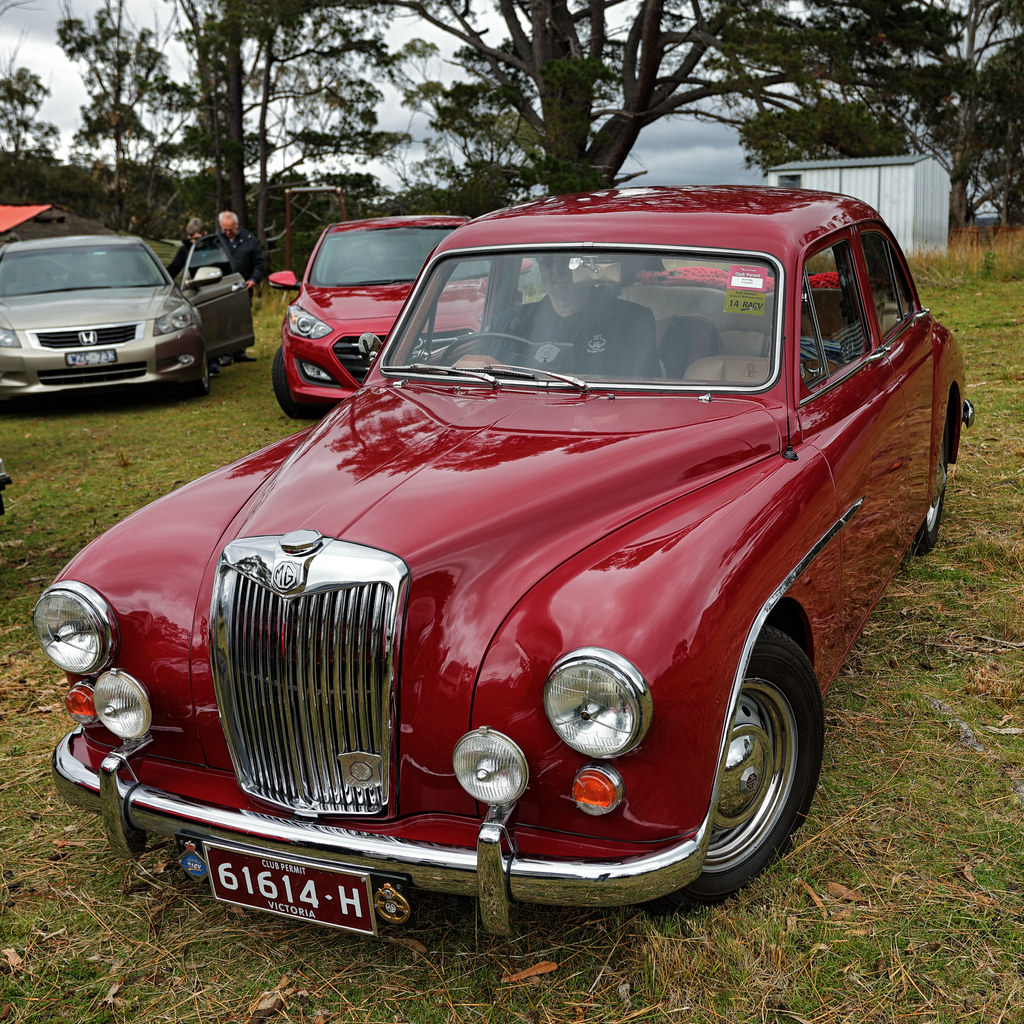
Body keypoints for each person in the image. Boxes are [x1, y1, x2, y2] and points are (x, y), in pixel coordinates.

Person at [491, 253, 660, 378]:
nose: (558, 272)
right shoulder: (506, 324)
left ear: (585, 266)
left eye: (568, 263)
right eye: (548, 262)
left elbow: (643, 397)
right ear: (539, 266)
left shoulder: (633, 322)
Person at [217, 210, 266, 362]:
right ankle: (225, 354)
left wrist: (253, 279)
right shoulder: (217, 240)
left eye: (230, 229)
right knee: (223, 320)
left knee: (241, 320)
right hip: (222, 288)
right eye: (224, 228)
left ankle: (239, 352)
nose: (227, 232)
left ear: (237, 225)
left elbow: (259, 263)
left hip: (243, 288)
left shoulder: (248, 239)